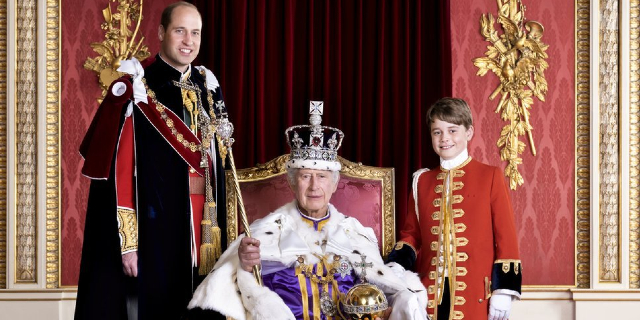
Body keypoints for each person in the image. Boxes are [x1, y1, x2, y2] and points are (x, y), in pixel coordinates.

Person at [188, 102, 429, 320]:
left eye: (322, 177)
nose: (314, 186)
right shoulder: (264, 233)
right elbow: (234, 287)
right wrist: (246, 265)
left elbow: (384, 289)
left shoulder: (357, 234)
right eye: (305, 177)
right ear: (292, 183)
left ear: (335, 184)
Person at [75, 2, 232, 319]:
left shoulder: (208, 87)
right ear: (161, 33)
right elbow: (121, 172)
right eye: (180, 31)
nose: (188, 40)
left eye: (195, 33)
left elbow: (221, 167)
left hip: (207, 228)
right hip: (155, 225)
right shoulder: (137, 84)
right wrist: (128, 243)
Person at [386, 98, 522, 320]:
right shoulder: (421, 181)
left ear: (469, 132)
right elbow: (412, 234)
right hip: (431, 295)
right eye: (437, 132)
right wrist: (397, 265)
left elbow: (506, 236)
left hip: (477, 295)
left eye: (452, 130)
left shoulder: (490, 176)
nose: (445, 138)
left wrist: (503, 290)